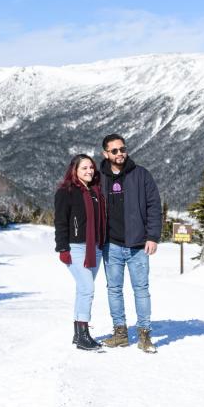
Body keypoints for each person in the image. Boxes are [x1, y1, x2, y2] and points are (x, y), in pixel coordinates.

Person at [99, 134, 162, 354]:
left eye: (122, 149)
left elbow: (154, 206)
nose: (119, 154)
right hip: (111, 245)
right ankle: (120, 333)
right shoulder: (99, 178)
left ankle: (144, 335)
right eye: (114, 151)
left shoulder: (141, 174)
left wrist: (153, 236)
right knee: (114, 290)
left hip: (138, 245)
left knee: (141, 290)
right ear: (105, 153)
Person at [54, 154, 106, 351]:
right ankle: (84, 335)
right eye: (84, 168)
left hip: (95, 248)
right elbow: (60, 222)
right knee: (87, 289)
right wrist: (62, 248)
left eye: (91, 168)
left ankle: (78, 335)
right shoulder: (65, 192)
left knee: (83, 290)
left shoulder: (95, 192)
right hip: (76, 247)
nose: (89, 171)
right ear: (74, 170)